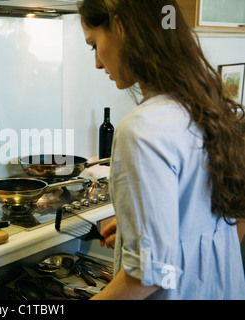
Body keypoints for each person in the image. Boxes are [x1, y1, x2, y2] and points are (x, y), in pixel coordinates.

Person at [77, 0, 245, 299]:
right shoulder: (209, 109)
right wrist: (156, 228)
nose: (98, 63)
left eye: (94, 45)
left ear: (121, 28)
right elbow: (231, 219)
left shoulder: (142, 128)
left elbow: (145, 278)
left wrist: (153, 250)